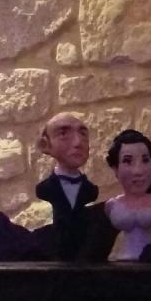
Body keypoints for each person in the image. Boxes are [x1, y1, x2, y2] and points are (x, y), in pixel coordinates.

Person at [35, 111, 98, 261]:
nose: (78, 142)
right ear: (45, 144)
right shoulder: (45, 189)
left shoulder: (91, 190)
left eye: (83, 134)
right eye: (63, 134)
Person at [104, 129, 151, 261]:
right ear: (116, 169)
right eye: (128, 161)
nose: (138, 171)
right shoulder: (112, 205)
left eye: (145, 160)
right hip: (123, 258)